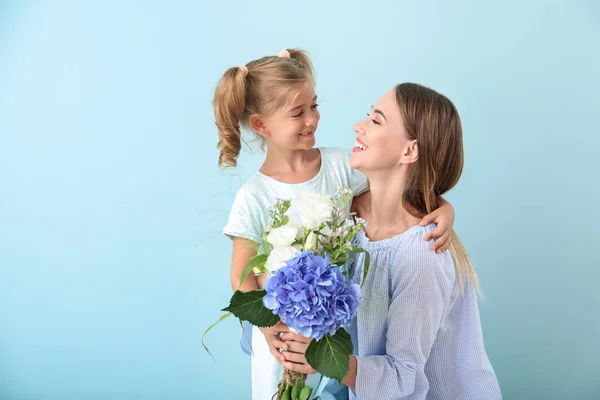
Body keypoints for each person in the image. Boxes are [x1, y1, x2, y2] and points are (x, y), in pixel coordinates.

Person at [214, 50, 456, 399]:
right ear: (261, 126)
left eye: (314, 105)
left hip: (331, 327)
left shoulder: (340, 165)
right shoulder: (254, 195)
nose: (312, 119)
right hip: (284, 331)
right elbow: (241, 274)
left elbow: (402, 183)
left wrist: (444, 208)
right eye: (298, 112)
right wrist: (268, 328)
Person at [279, 83, 502, 399]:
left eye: (376, 120)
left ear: (409, 150)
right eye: (367, 116)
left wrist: (322, 357)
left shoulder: (422, 255)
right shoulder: (344, 218)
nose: (359, 127)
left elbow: (404, 378)